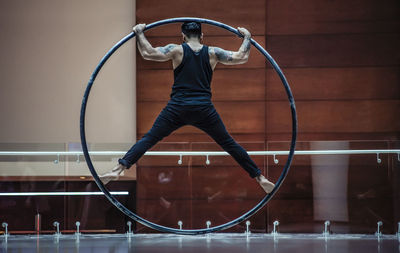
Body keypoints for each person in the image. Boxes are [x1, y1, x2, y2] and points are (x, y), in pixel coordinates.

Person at [100, 22, 275, 193]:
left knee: (149, 139)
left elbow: (148, 53)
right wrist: (247, 37)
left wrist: (139, 32)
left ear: (182, 36)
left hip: (177, 108)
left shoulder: (176, 50)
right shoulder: (213, 52)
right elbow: (241, 57)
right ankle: (260, 178)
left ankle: (118, 169)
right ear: (202, 36)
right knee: (229, 144)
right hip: (203, 109)